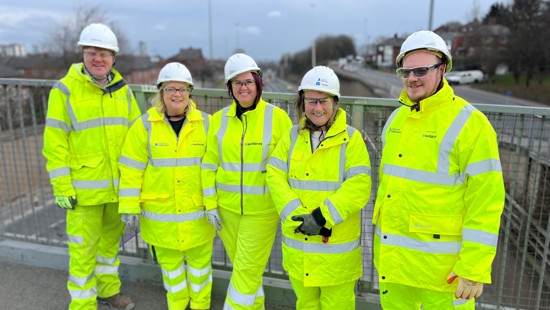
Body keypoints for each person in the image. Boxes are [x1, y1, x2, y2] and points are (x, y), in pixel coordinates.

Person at [373, 30, 505, 309]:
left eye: (421, 70)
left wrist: (473, 268)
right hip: (395, 269)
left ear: (442, 69)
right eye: (405, 71)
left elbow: (487, 201)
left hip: (445, 277)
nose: (412, 78)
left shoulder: (471, 124)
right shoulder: (397, 120)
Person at [42, 23, 140, 309]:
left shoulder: (123, 91)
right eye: (93, 52)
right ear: (83, 53)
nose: (99, 59)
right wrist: (61, 185)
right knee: (82, 252)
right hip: (83, 192)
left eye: (105, 54)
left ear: (114, 59)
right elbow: (55, 143)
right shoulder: (65, 90)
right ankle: (83, 305)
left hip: (117, 189)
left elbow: (136, 138)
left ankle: (108, 291)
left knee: (109, 247)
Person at [266, 66, 372, 309]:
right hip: (299, 249)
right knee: (306, 304)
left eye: (323, 101)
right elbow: (274, 175)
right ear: (302, 102)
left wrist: (320, 216)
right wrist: (295, 213)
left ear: (335, 102)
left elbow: (358, 186)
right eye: (310, 101)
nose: (317, 108)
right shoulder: (292, 137)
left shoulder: (351, 140)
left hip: (335, 253)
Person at [118, 62, 217, 309]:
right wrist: (129, 206)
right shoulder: (144, 126)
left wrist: (216, 204)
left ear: (190, 93)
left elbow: (218, 168)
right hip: (161, 218)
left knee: (200, 269)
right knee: (171, 272)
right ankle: (177, 305)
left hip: (197, 216)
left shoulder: (207, 124)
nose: (177, 94)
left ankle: (200, 305)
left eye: (183, 89)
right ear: (160, 92)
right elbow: (131, 169)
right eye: (171, 89)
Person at [201, 53, 293, 309]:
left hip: (262, 212)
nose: (243, 87)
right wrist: (210, 204)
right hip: (226, 211)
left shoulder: (278, 119)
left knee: (244, 273)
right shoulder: (218, 121)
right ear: (230, 88)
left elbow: (289, 163)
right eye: (237, 83)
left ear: (258, 84)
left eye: (248, 82)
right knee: (248, 272)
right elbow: (209, 165)